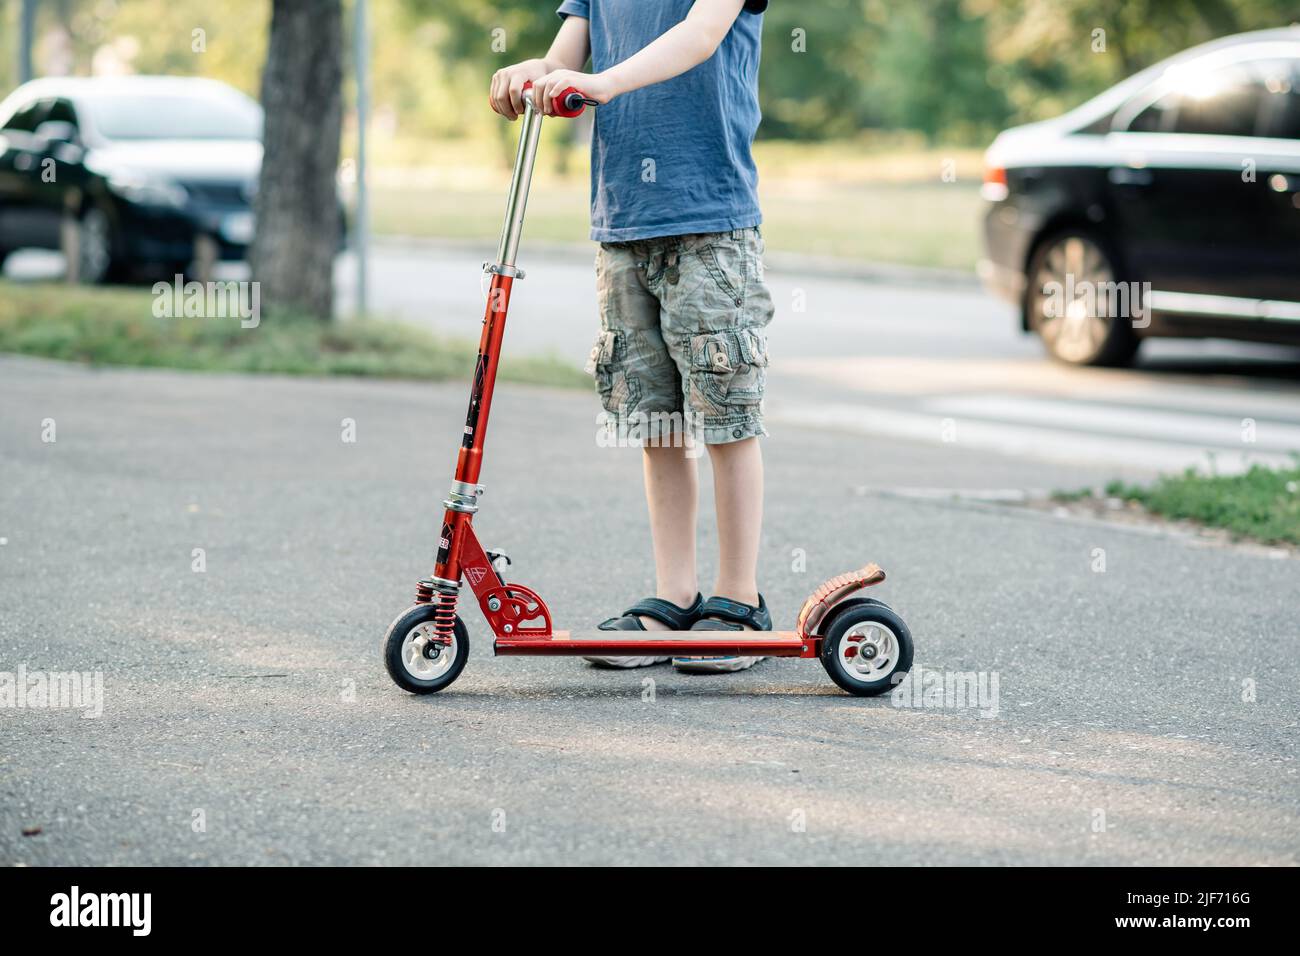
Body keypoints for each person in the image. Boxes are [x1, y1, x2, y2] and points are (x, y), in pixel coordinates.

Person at [489, 0, 773, 672]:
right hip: (624, 223)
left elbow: (700, 36)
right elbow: (565, 57)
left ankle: (739, 599)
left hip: (710, 219)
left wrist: (606, 83)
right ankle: (674, 595)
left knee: (726, 414)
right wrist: (537, 74)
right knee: (656, 421)